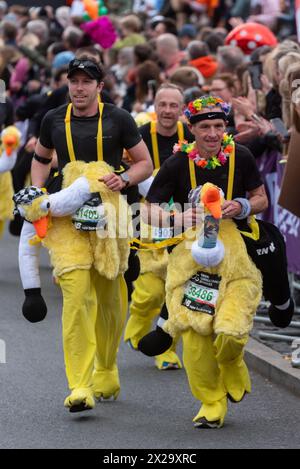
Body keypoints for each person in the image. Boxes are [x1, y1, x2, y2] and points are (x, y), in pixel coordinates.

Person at [139, 95, 294, 426]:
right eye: (205, 127)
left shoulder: (243, 154)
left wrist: (241, 205)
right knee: (195, 341)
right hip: (194, 265)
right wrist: (178, 219)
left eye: (218, 126)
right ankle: (210, 402)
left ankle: (234, 362)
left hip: (238, 263)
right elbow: (148, 209)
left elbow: (262, 198)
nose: (212, 134)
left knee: (231, 332)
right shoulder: (178, 163)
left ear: (226, 127)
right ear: (191, 129)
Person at [30, 56, 153, 412]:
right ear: (68, 84)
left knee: (111, 299)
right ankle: (79, 385)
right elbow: (40, 159)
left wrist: (125, 178)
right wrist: (39, 195)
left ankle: (106, 367)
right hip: (68, 215)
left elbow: (144, 163)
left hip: (110, 216)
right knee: (76, 295)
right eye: (74, 81)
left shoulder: (119, 118)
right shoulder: (53, 118)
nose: (79, 88)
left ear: (100, 86)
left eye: (87, 82)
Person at [124, 83, 193, 369]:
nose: (167, 111)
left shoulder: (191, 137)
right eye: (162, 104)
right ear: (154, 106)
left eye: (173, 105)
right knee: (149, 291)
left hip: (183, 219)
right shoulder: (139, 136)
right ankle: (138, 327)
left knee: (174, 288)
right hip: (146, 217)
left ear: (181, 109)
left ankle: (166, 349)